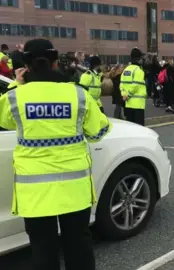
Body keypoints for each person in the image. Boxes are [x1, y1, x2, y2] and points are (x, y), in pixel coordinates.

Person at [0, 38, 111, 270]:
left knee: (43, 248)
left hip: (35, 191)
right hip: (74, 188)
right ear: (54, 62)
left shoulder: (14, 97)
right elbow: (99, 130)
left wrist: (16, 85)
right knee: (78, 245)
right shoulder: (78, 94)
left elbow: (6, 122)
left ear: (26, 65)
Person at [120, 48, 147, 126]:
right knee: (139, 129)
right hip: (138, 105)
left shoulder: (126, 70)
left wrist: (124, 95)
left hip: (128, 104)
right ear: (139, 59)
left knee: (131, 127)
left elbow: (122, 84)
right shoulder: (139, 70)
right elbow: (136, 85)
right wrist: (128, 95)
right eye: (141, 58)